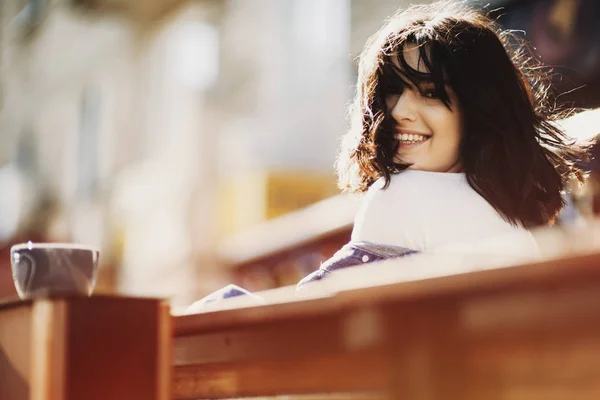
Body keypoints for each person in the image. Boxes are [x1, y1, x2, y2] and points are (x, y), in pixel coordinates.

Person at [297, 0, 590, 290]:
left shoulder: (403, 194)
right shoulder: (512, 218)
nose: (399, 111)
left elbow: (314, 322)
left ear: (479, 110)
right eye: (391, 91)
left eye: (430, 92)